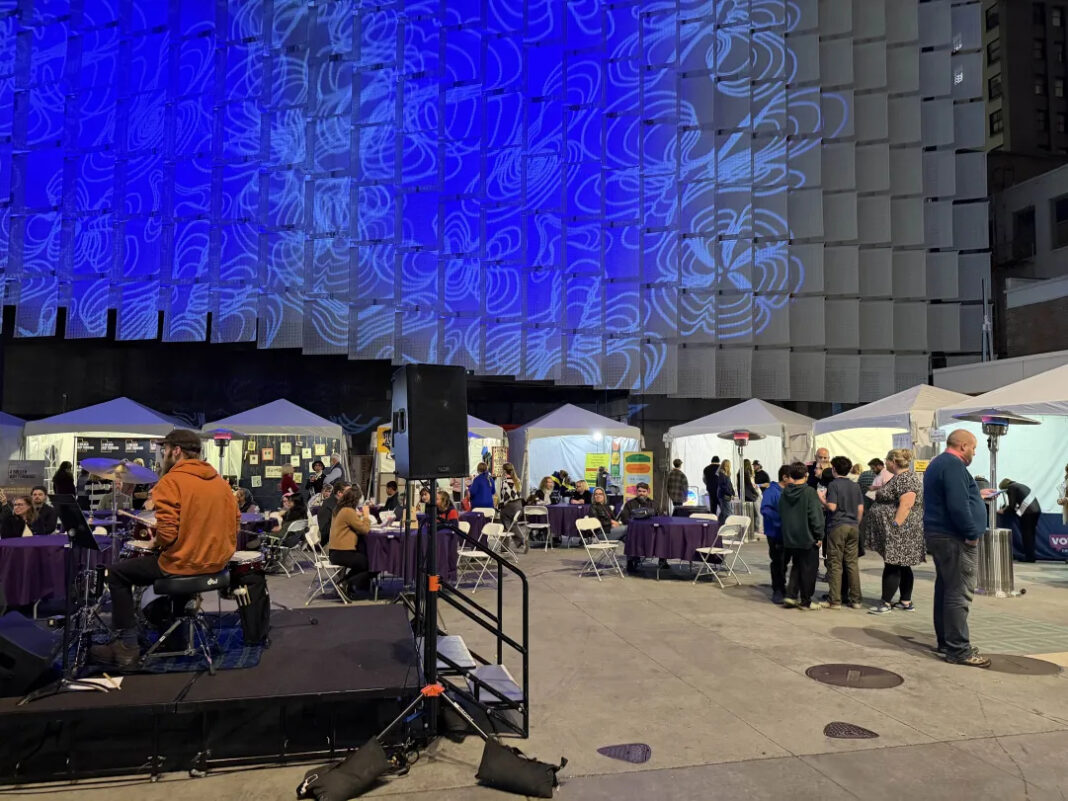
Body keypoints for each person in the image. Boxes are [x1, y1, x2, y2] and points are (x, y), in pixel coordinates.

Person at [91, 430, 239, 667]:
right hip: (216, 564)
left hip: (184, 564)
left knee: (117, 573)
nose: (162, 454)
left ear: (176, 450)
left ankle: (127, 646)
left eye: (164, 449)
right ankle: (175, 635)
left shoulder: (171, 481)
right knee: (171, 559)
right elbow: (235, 522)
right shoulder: (220, 482)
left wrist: (155, 543)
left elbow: (168, 534)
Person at [923, 429, 990, 668]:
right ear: (963, 446)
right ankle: (959, 650)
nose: (974, 452)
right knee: (958, 592)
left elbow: (954, 498)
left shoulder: (939, 464)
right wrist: (971, 534)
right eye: (973, 447)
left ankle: (946, 642)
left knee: (946, 589)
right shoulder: (952, 466)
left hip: (941, 535)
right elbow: (957, 506)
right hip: (954, 538)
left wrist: (975, 495)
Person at [863, 449, 924, 615]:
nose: (885, 463)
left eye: (886, 460)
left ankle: (886, 603)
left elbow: (906, 504)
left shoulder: (906, 479)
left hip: (900, 532)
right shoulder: (901, 478)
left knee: (892, 566)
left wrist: (895, 526)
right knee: (903, 566)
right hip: (901, 531)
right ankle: (905, 601)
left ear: (893, 462)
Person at [779, 462, 825, 610]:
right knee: (809, 569)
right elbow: (815, 516)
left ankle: (791, 595)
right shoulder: (809, 492)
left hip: (790, 538)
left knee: (797, 566)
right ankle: (806, 600)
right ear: (806, 475)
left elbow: (781, 512)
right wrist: (819, 535)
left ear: (790, 476)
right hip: (807, 537)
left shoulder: (785, 492)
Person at [824, 456, 864, 609]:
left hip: (837, 525)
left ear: (834, 469)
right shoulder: (855, 486)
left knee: (835, 563)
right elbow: (860, 509)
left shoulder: (834, 485)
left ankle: (835, 600)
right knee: (852, 564)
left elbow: (832, 507)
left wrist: (822, 500)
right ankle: (856, 600)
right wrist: (856, 523)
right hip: (853, 526)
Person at [328, 487, 372, 595]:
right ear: (355, 499)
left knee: (365, 560)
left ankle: (347, 584)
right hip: (342, 552)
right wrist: (366, 516)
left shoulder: (340, 509)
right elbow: (365, 529)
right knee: (372, 563)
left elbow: (353, 522)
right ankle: (345, 583)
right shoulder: (348, 511)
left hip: (336, 552)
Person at [760, 465, 790, 604]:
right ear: (784, 477)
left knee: (785, 561)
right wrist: (780, 520)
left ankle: (784, 587)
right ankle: (778, 589)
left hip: (788, 533)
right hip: (775, 532)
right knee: (778, 561)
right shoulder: (771, 491)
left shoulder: (790, 490)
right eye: (793, 477)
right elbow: (765, 509)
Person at [998, 478, 1041, 563]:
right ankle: (1031, 556)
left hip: (1028, 512)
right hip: (1036, 510)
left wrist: (1003, 510)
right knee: (1031, 534)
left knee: (1027, 535)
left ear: (1004, 487)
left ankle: (1029, 558)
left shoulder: (1011, 488)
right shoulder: (1019, 485)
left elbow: (1012, 505)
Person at [621, 482, 659, 572]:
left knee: (662, 535)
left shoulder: (654, 504)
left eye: (644, 491)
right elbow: (625, 519)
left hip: (651, 532)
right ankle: (631, 561)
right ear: (636, 492)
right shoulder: (629, 504)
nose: (641, 493)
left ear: (647, 492)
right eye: (639, 491)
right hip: (635, 531)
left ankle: (662, 561)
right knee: (628, 537)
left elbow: (659, 518)